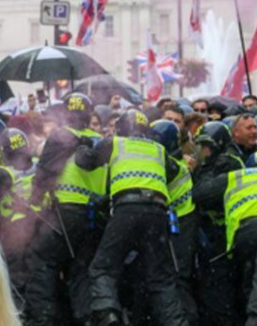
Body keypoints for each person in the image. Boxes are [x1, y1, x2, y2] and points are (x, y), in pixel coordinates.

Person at [76, 110, 187, 326]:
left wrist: (82, 145)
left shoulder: (114, 143)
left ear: (120, 128)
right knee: (161, 279)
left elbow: (84, 161)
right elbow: (172, 172)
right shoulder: (158, 149)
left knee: (103, 268)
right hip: (157, 212)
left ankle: (108, 314)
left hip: (126, 210)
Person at [25, 93, 107, 325]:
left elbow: (44, 173)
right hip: (93, 217)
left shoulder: (61, 136)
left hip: (62, 213)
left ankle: (43, 319)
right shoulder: (98, 140)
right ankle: (85, 319)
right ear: (89, 115)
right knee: (81, 271)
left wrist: (33, 206)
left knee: (43, 264)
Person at [194, 150, 257, 325]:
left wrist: (208, 165)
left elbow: (200, 193)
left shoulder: (236, 176)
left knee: (250, 280)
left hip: (243, 234)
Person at [192, 121, 244, 326]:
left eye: (206, 146)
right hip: (211, 235)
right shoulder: (211, 164)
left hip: (224, 235)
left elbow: (201, 194)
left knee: (219, 290)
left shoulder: (229, 163)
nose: (202, 151)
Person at [152, 119, 198, 325]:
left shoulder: (167, 167)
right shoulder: (179, 164)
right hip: (182, 224)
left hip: (178, 226)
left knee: (174, 280)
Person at [0, 128, 39, 308]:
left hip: (17, 231)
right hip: (24, 229)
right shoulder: (39, 168)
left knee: (16, 280)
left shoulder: (3, 172)